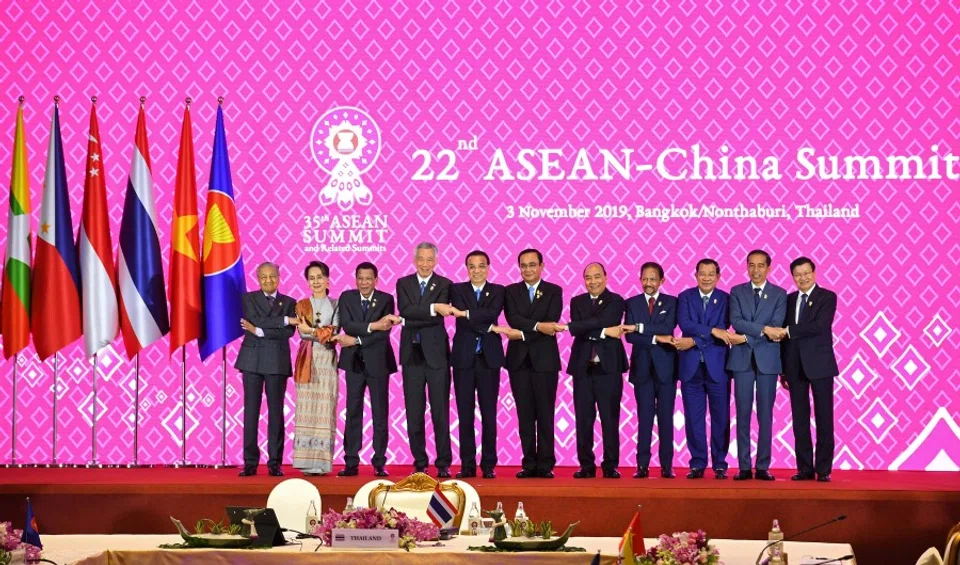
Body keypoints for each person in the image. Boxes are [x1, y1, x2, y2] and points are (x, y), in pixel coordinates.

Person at [561, 263, 629, 479]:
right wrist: (603, 332)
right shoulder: (577, 301)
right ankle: (586, 465)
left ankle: (610, 464)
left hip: (608, 367)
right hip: (583, 367)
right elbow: (579, 330)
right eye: (588, 278)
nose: (593, 281)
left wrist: (585, 328)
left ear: (606, 278)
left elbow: (605, 321)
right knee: (583, 418)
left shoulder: (616, 300)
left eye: (597, 277)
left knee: (610, 418)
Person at [501, 248, 564, 479]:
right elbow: (513, 319)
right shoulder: (510, 291)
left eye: (532, 264)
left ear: (542, 266)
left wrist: (525, 332)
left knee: (545, 414)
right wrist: (538, 327)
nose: (528, 269)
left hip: (545, 361)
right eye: (524, 265)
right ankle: (528, 463)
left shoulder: (554, 291)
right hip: (519, 361)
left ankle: (546, 464)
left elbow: (551, 321)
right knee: (525, 414)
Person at [331, 262, 398, 477]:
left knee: (380, 413)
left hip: (378, 361)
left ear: (376, 281)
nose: (364, 282)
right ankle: (351, 461)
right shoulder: (347, 297)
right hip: (353, 363)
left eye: (368, 278)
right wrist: (372, 326)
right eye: (360, 278)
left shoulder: (387, 299)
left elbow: (384, 332)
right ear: (355, 279)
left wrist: (358, 339)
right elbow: (347, 325)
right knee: (352, 412)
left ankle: (379, 461)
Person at [396, 242, 455, 477]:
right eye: (421, 259)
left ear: (436, 261)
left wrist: (416, 314)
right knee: (414, 411)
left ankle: (443, 463)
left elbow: (419, 316)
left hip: (437, 355)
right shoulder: (403, 283)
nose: (425, 264)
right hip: (411, 355)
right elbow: (405, 310)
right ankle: (419, 461)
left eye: (429, 259)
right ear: (414, 259)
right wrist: (433, 308)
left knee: (440, 410)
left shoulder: (445, 284)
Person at [727, 250, 787, 481]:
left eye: (761, 265)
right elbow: (736, 321)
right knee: (742, 414)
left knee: (765, 414)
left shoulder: (779, 294)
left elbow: (776, 326)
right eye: (751, 265)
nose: (756, 270)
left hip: (767, 361)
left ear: (769, 268)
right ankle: (744, 466)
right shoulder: (737, 291)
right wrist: (761, 330)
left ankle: (762, 466)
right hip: (742, 360)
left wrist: (745, 337)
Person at [779, 257, 839, 483]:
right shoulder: (789, 299)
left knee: (824, 418)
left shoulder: (827, 297)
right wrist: (783, 370)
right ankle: (804, 468)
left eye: (806, 273)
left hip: (820, 366)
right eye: (797, 274)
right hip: (794, 367)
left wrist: (788, 331)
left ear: (814, 273)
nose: (802, 278)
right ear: (792, 277)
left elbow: (819, 326)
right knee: (799, 420)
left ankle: (823, 469)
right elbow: (784, 342)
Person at [237, 262, 298, 477]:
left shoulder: (290, 302)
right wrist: (281, 320)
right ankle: (250, 462)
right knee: (251, 412)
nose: (268, 280)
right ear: (258, 278)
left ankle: (275, 462)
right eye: (264, 277)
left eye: (272, 276)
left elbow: (288, 332)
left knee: (276, 413)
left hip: (277, 362)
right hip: (251, 361)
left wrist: (259, 331)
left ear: (279, 277)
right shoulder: (249, 298)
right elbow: (254, 320)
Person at [450, 250, 505, 479]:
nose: (476, 270)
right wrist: (490, 327)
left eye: (481, 266)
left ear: (488, 267)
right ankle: (467, 464)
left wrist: (470, 314)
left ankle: (489, 464)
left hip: (488, 359)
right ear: (466, 269)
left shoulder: (499, 291)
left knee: (489, 413)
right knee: (465, 414)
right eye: (472, 266)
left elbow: (491, 313)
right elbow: (468, 320)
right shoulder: (457, 289)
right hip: (464, 359)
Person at [675, 259, 732, 480]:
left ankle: (720, 463)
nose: (706, 277)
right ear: (695, 275)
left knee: (721, 417)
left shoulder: (726, 299)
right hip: (691, 368)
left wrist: (695, 341)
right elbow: (685, 325)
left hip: (718, 367)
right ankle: (698, 462)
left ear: (718, 277)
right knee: (694, 418)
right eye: (702, 273)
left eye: (711, 274)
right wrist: (712, 333)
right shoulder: (685, 297)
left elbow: (724, 328)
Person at [624, 262, 679, 479]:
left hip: (666, 368)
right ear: (640, 279)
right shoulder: (631, 303)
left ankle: (667, 465)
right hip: (642, 368)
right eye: (645, 279)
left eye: (653, 279)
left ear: (662, 281)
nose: (648, 283)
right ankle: (642, 465)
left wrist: (640, 328)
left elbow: (668, 328)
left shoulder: (672, 302)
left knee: (666, 418)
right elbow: (629, 336)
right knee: (644, 418)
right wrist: (655, 337)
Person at [289, 261, 340, 476]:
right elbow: (302, 334)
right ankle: (305, 462)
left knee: (325, 408)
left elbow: (333, 332)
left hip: (326, 359)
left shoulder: (336, 303)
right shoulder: (301, 304)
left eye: (320, 277)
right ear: (307, 282)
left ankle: (322, 463)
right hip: (306, 358)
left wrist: (312, 330)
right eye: (312, 278)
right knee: (306, 408)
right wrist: (317, 332)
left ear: (328, 280)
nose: (316, 281)